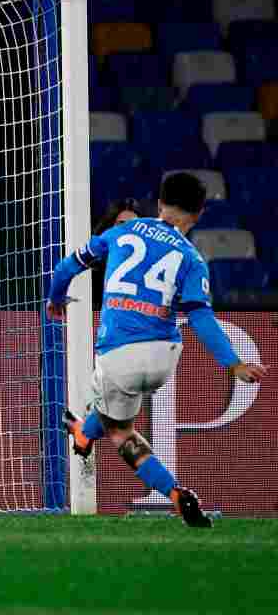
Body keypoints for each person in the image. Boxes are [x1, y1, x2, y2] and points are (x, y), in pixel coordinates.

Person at [46, 172, 267, 527]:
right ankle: (84, 433)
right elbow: (200, 316)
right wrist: (233, 364)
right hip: (165, 355)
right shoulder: (193, 258)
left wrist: (56, 299)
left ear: (159, 203)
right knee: (113, 414)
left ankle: (174, 491)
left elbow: (66, 267)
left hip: (119, 354)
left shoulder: (121, 232)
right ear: (198, 214)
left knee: (120, 431)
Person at [91, 198, 143, 305]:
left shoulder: (152, 266)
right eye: (121, 224)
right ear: (110, 227)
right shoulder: (93, 269)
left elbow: (180, 315)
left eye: (134, 225)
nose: (127, 230)